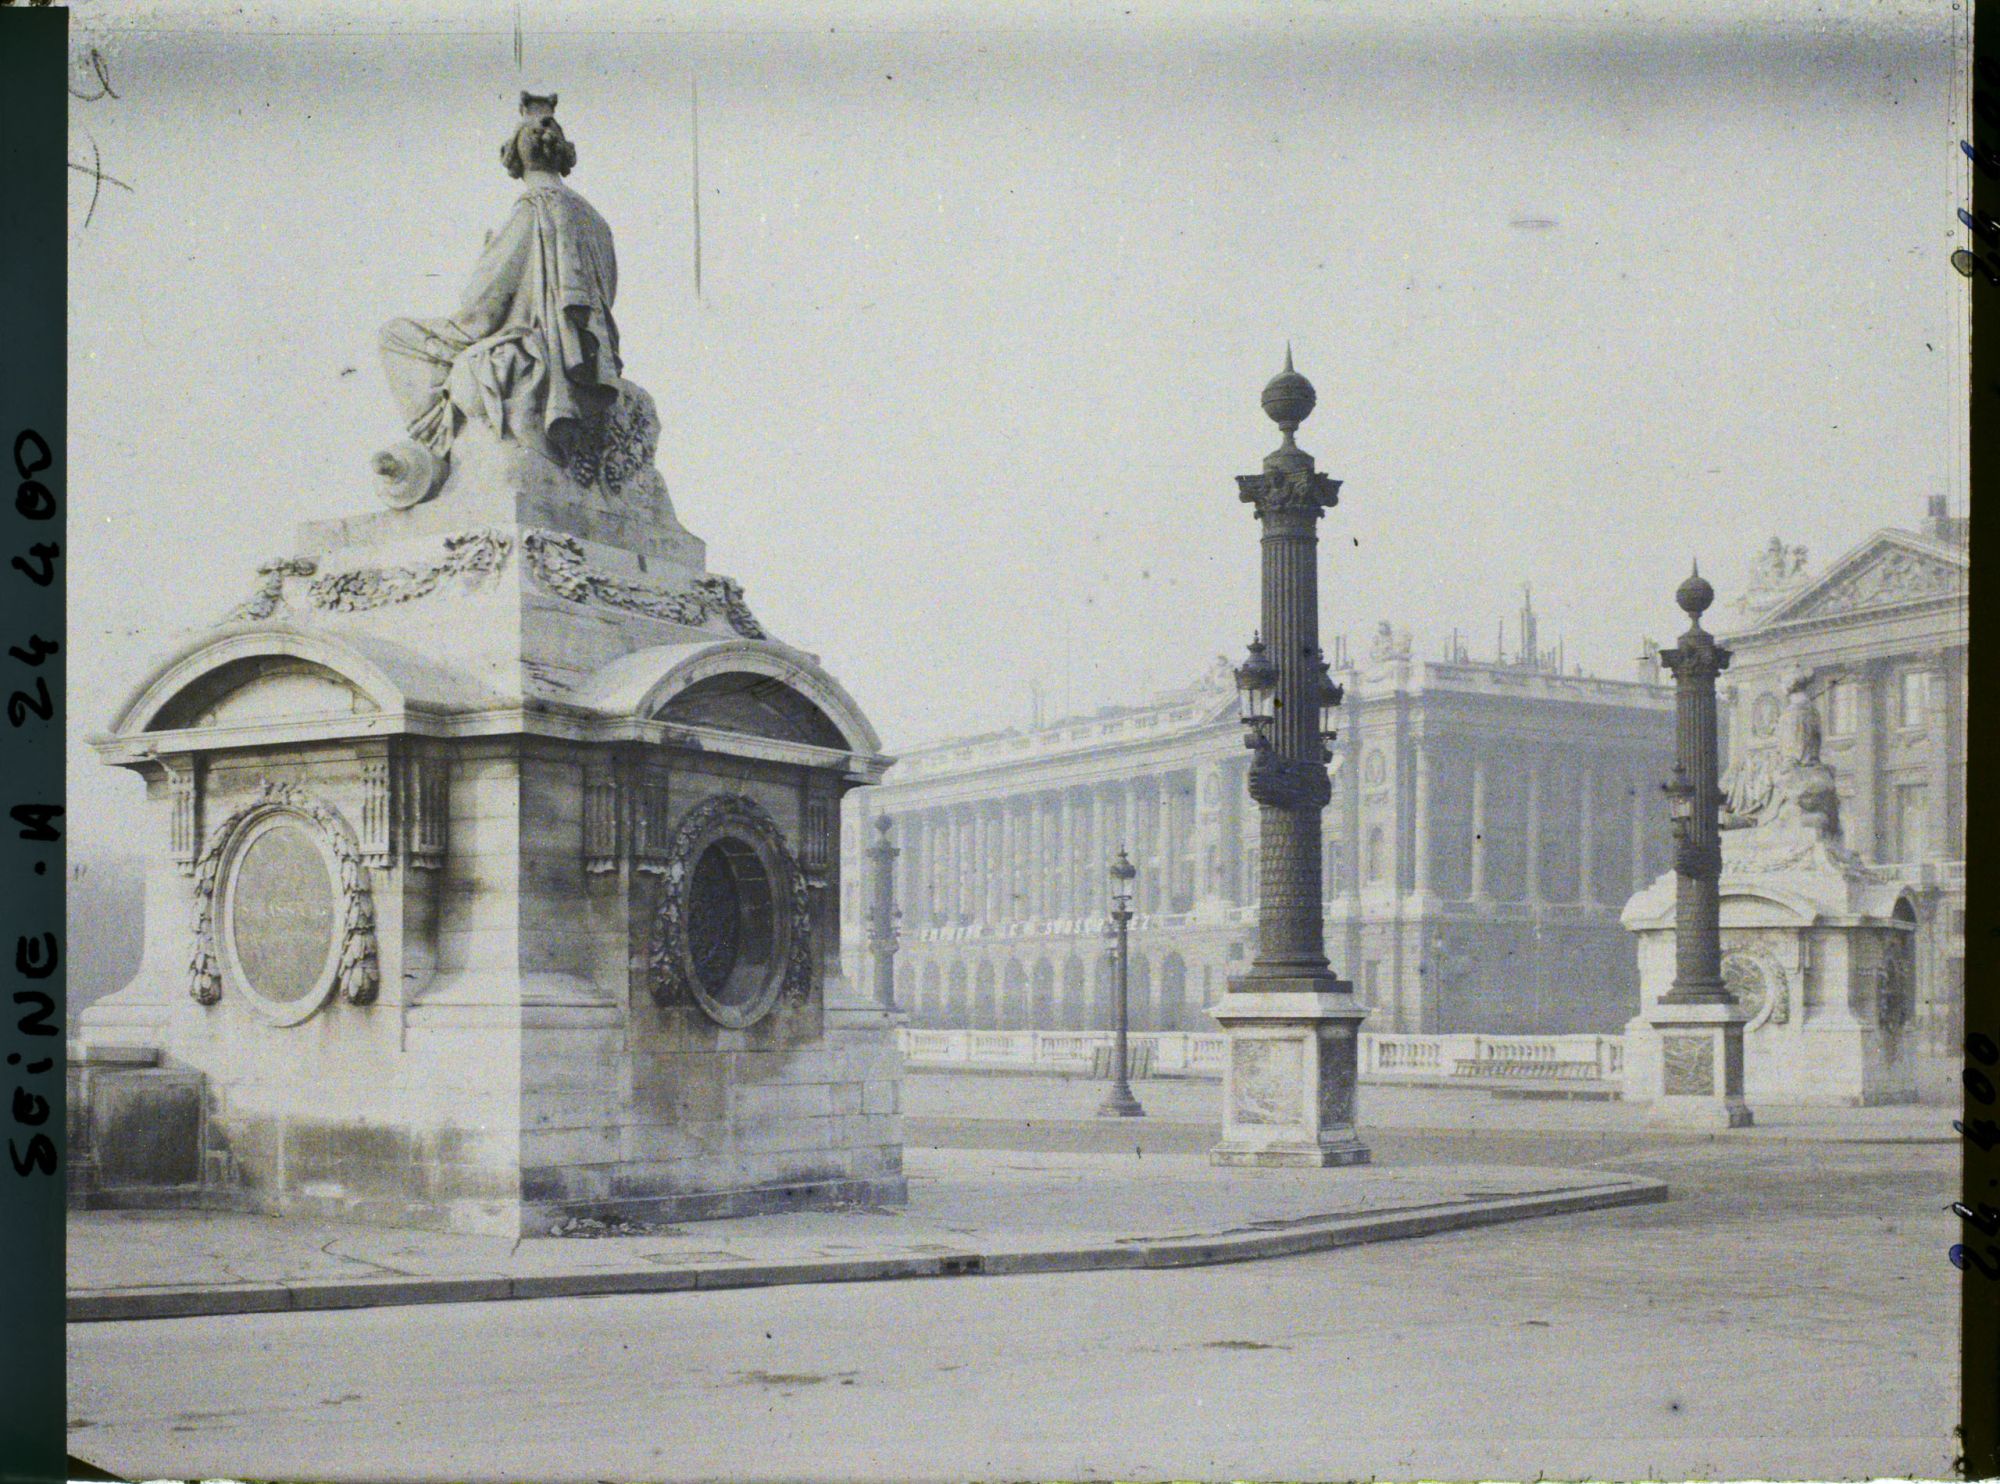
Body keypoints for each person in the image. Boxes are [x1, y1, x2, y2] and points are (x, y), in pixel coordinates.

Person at [378, 93, 622, 474]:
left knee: (395, 335)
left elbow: (483, 306)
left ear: (515, 158)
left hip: (531, 340)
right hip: (587, 352)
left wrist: (489, 254)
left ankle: (431, 457)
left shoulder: (530, 209)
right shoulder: (598, 222)